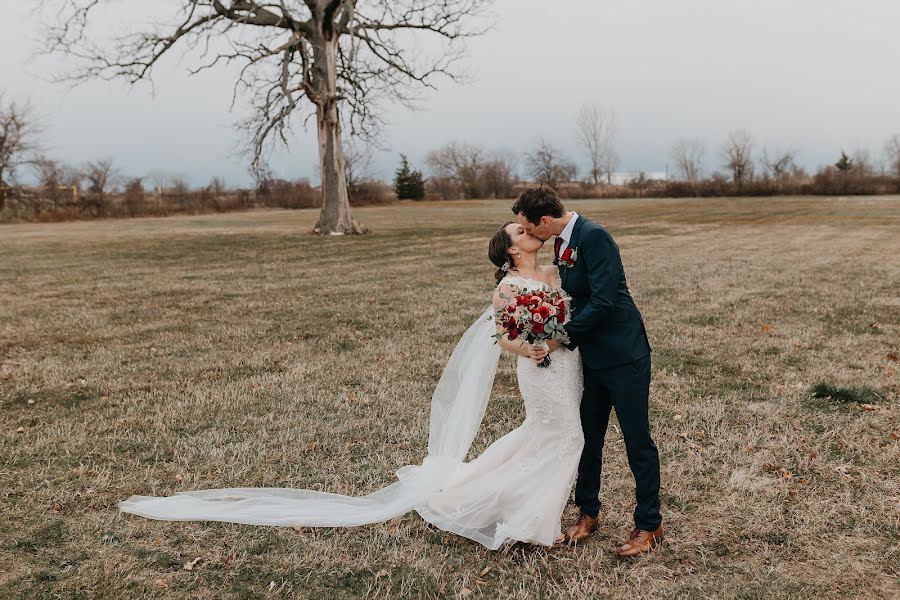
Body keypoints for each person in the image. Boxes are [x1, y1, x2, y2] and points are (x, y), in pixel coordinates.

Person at [118, 221, 586, 550]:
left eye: (527, 228)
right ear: (509, 250)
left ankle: (502, 498)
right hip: (539, 368)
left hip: (569, 366)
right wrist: (531, 349)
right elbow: (505, 337)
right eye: (520, 232)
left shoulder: (552, 273)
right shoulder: (505, 289)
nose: (529, 233)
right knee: (566, 435)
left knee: (547, 435)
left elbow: (570, 309)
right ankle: (534, 522)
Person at [512, 184, 664, 557]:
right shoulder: (562, 243)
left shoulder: (593, 237)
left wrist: (557, 338)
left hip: (623, 354)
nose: (530, 235)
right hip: (591, 359)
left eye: (530, 229)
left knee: (636, 440)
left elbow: (604, 300)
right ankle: (588, 513)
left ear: (545, 221)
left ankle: (650, 523)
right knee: (587, 438)